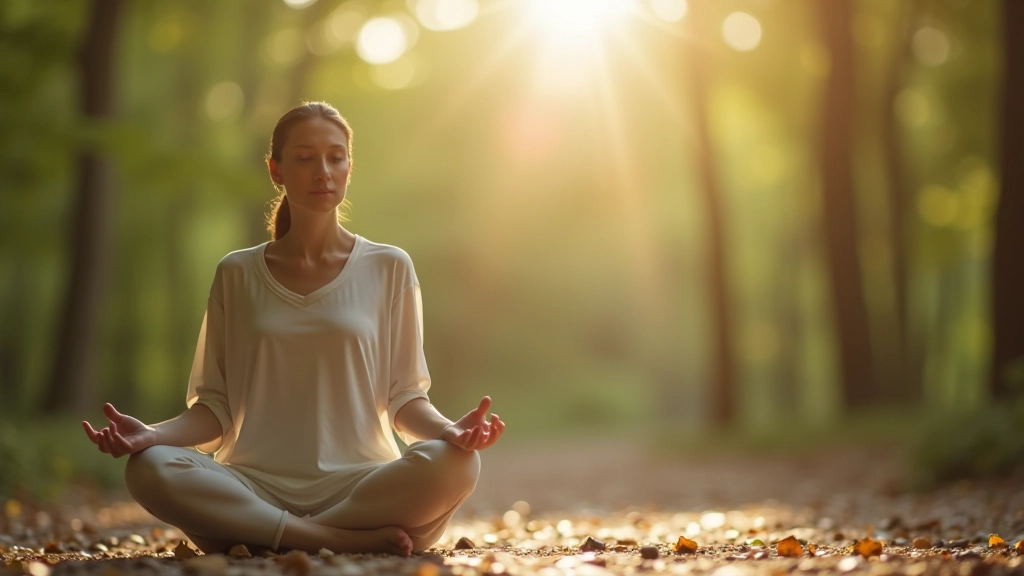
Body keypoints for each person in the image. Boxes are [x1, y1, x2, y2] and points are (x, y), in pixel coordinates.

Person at [81, 101, 505, 557]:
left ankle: (271, 535)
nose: (323, 170)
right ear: (276, 170)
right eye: (305, 158)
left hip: (361, 489)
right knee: (148, 468)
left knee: (458, 464)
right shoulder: (237, 273)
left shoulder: (389, 267)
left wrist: (449, 432)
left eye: (335, 157)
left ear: (348, 167)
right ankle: (333, 541)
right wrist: (151, 434)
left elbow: (404, 399)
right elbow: (215, 411)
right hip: (252, 486)